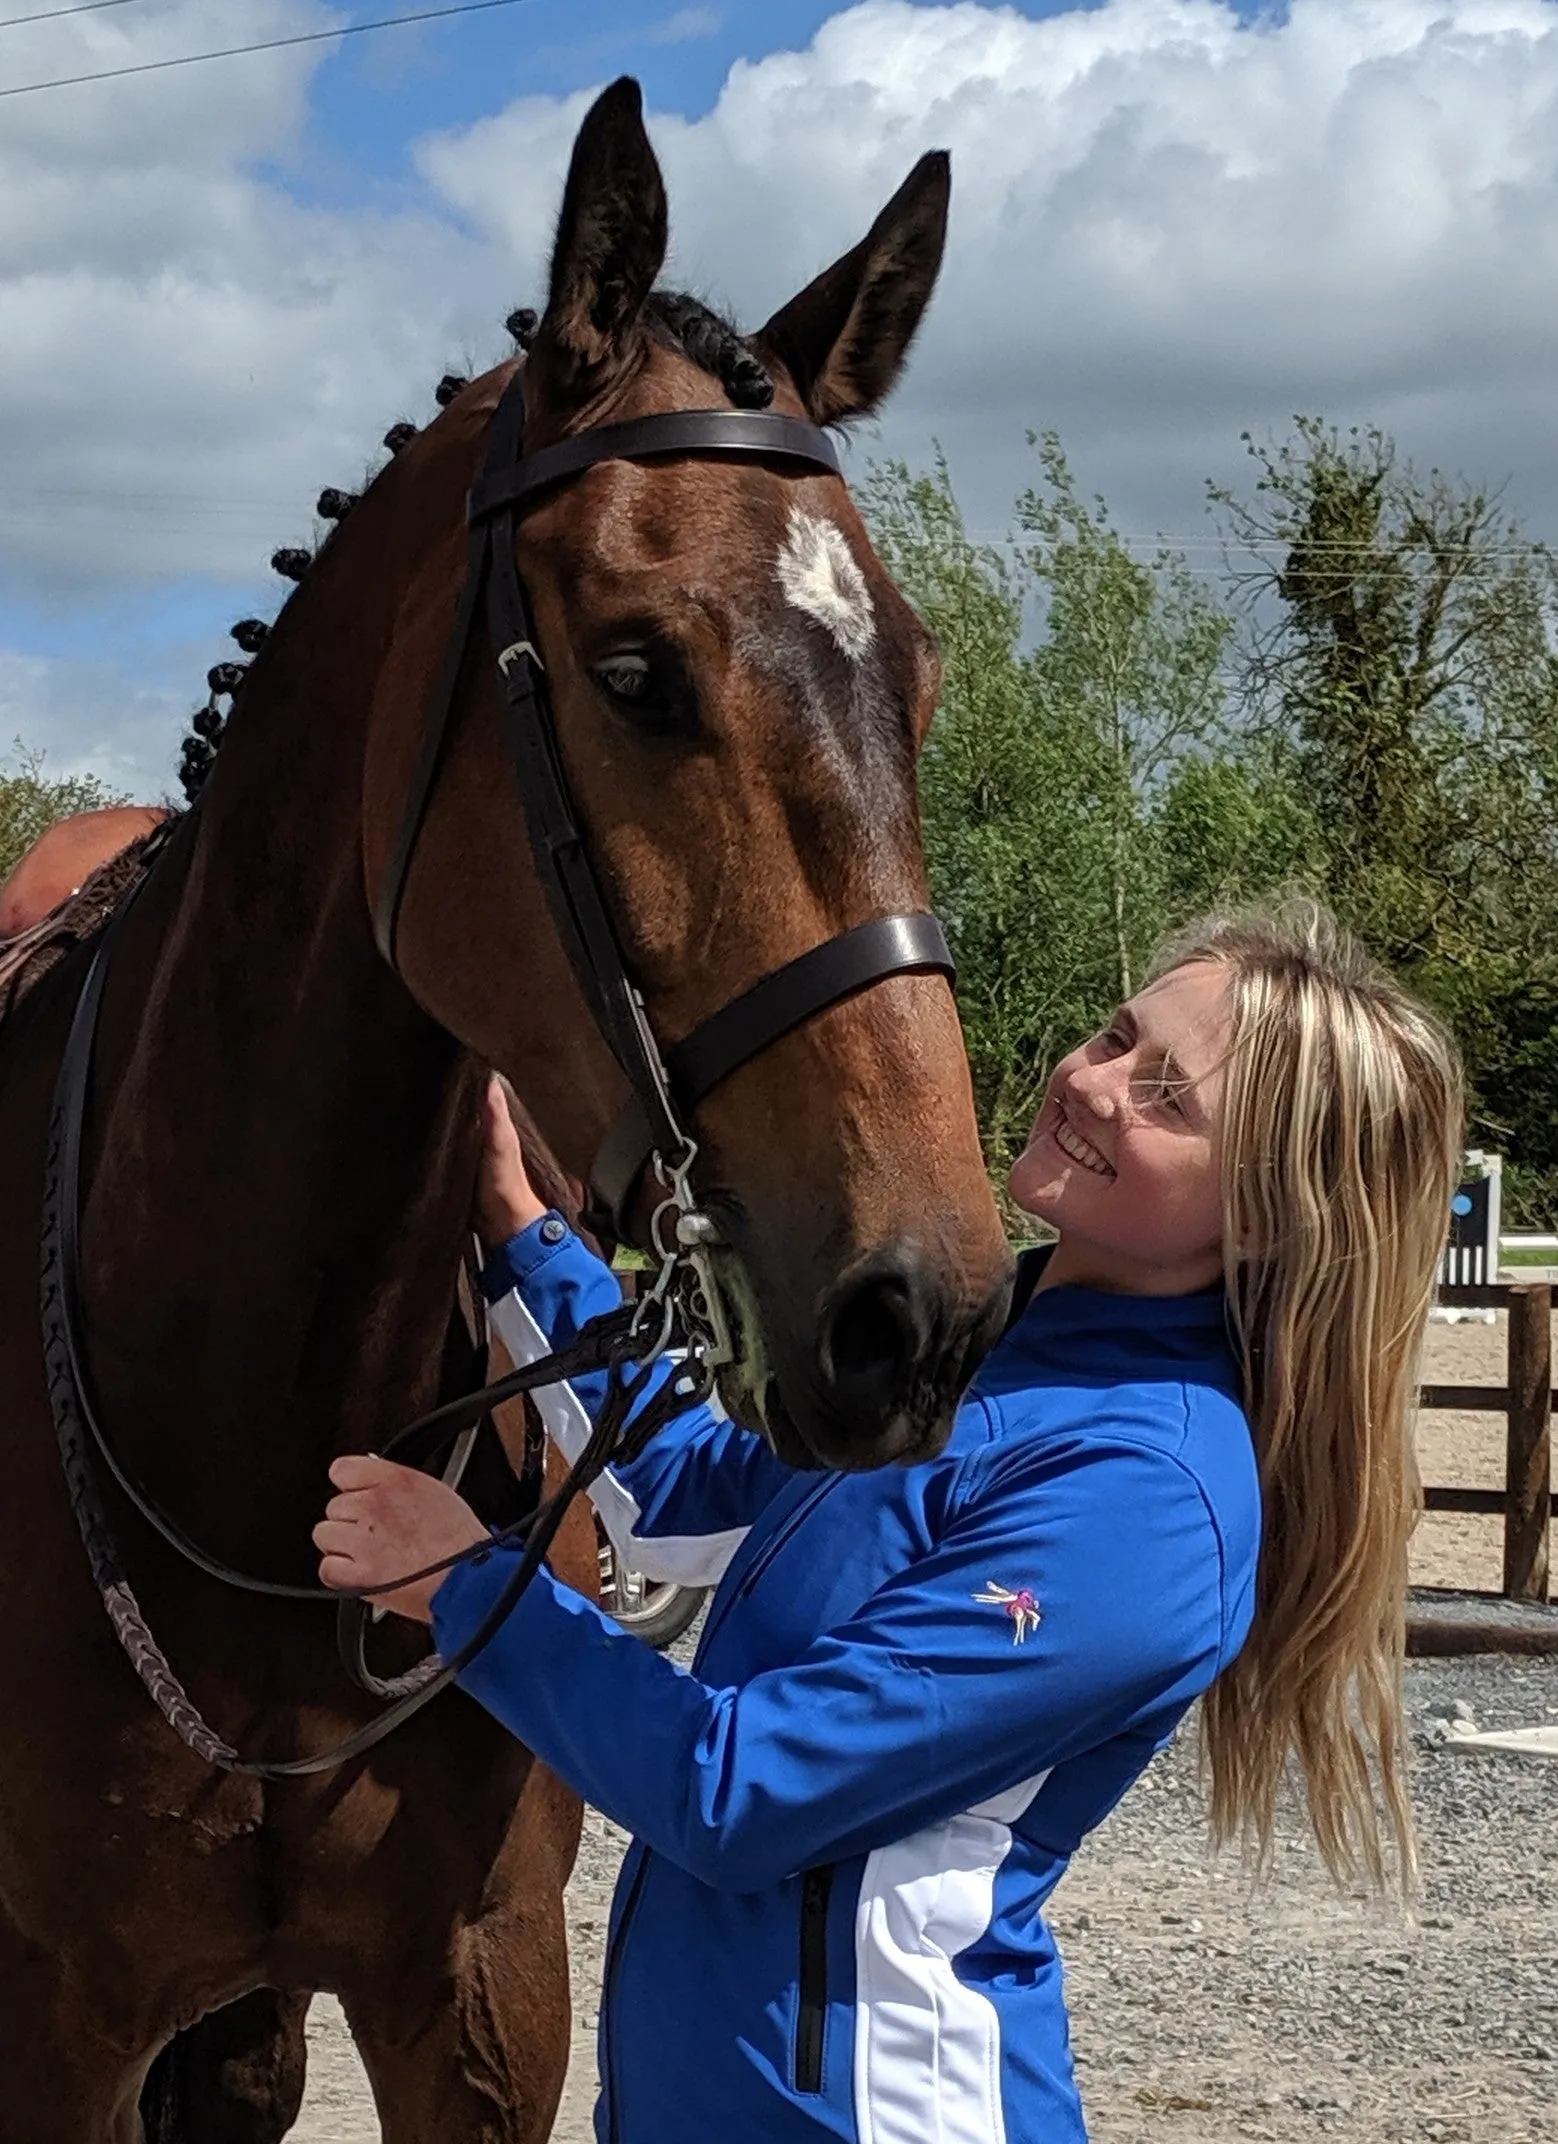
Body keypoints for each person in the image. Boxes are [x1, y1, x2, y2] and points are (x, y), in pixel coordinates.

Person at [315, 900, 1462, 2143]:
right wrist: (520, 1225)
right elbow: (689, 1490)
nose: (1093, 1082)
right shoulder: (982, 1345)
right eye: (1116, 1033)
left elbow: (737, 1791)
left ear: (1269, 1215)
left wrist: (469, 1585)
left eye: (1169, 1095)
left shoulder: (1149, 1496)